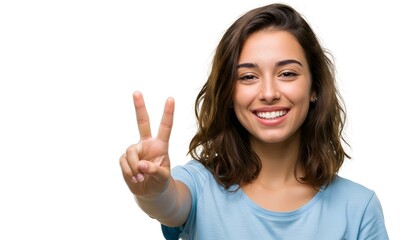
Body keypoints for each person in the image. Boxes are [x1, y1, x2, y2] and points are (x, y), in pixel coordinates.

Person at [119, 3, 389, 239]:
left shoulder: (358, 208)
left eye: (287, 73)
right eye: (248, 77)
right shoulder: (198, 185)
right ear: (228, 93)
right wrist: (152, 193)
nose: (269, 93)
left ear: (314, 87)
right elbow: (170, 204)